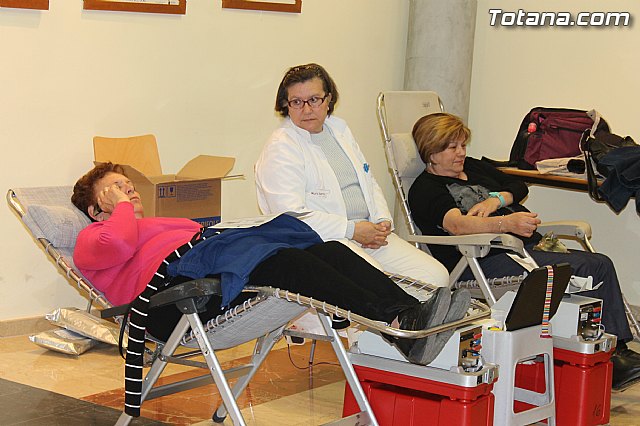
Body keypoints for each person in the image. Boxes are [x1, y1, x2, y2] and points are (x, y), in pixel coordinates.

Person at [71, 162, 471, 367]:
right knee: (287, 260)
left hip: (206, 274)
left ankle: (406, 318)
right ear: (95, 208)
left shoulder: (153, 224)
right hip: (172, 303)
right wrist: (121, 208)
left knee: (327, 248)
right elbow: (118, 241)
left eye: (128, 186)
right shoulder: (90, 239)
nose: (128, 191)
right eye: (116, 188)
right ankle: (402, 324)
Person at [407, 112, 640, 391]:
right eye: (452, 147)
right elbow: (458, 225)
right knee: (590, 267)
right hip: (483, 260)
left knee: (597, 264)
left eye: (462, 145)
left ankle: (610, 352)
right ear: (431, 152)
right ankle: (612, 358)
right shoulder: (426, 189)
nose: (461, 153)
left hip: (524, 249)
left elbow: (516, 186)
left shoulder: (473, 167)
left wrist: (495, 201)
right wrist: (506, 223)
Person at [255, 63, 449, 287]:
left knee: (436, 276)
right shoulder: (282, 145)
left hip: (367, 231)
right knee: (379, 284)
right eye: (297, 102)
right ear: (285, 105)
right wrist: (352, 230)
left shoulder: (339, 129)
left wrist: (382, 220)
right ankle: (401, 309)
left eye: (314, 100)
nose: (306, 110)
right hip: (326, 240)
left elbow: (367, 180)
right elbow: (289, 216)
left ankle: (412, 309)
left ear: (328, 99)